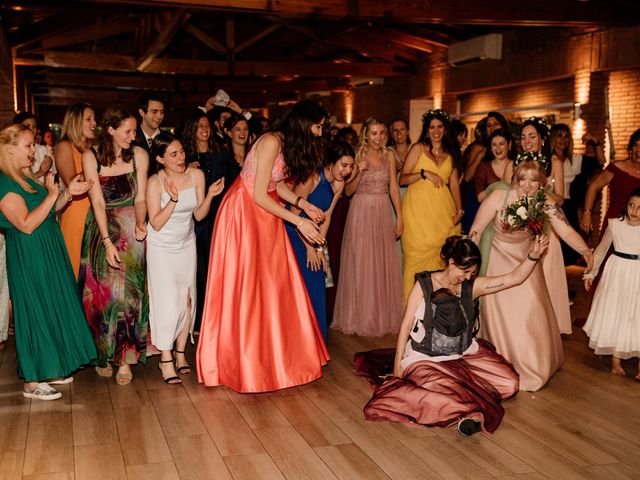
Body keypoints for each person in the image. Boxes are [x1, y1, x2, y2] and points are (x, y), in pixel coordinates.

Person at [196, 99, 330, 393]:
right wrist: (299, 222)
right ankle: (243, 364)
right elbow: (258, 194)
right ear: (304, 123)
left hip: (267, 213)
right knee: (248, 290)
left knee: (274, 287)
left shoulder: (283, 144)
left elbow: (275, 185)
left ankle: (273, 361)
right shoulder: (270, 141)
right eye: (317, 126)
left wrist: (303, 204)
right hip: (244, 214)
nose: (319, 133)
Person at [355, 236, 548, 436]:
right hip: (425, 358)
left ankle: (465, 403)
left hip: (463, 356)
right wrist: (397, 368)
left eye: (472, 273)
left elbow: (513, 279)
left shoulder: (471, 287)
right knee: (446, 390)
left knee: (509, 384)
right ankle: (469, 413)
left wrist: (533, 256)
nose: (467, 277)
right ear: (451, 262)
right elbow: (405, 326)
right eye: (464, 271)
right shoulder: (425, 284)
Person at [469, 158, 593, 391]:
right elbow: (475, 231)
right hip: (498, 262)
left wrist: (585, 250)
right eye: (522, 179)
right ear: (515, 179)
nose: (527, 185)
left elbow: (565, 230)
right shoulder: (498, 197)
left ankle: (535, 365)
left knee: (530, 312)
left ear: (541, 182)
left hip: (528, 264)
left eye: (533, 180)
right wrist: (468, 264)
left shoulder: (544, 201)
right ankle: (501, 366)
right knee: (501, 318)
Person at [0, 123, 96, 400]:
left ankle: (51, 367)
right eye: (28, 145)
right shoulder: (4, 183)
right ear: (9, 149)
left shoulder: (24, 177)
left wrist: (67, 193)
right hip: (29, 253)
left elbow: (48, 210)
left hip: (47, 249)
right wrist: (54, 194)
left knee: (51, 304)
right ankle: (32, 381)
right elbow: (26, 224)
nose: (34, 150)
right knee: (35, 310)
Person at [79, 106, 151, 385]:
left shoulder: (139, 156)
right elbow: (96, 201)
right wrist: (107, 241)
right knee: (103, 296)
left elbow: (141, 196)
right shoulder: (91, 156)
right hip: (101, 228)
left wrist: (141, 223)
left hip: (132, 228)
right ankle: (102, 355)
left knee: (129, 295)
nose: (133, 136)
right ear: (110, 129)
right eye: (128, 131)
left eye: (134, 130)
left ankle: (124, 359)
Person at [146, 133, 224, 384]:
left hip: (186, 243)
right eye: (173, 154)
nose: (181, 158)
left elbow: (199, 216)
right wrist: (173, 200)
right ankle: (165, 358)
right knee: (167, 301)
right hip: (161, 247)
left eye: (181, 152)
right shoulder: (155, 182)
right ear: (160, 158)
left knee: (187, 299)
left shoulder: (197, 175)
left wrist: (211, 195)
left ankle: (180, 353)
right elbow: (155, 223)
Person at [332, 117, 404, 337]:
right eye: (373, 133)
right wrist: (359, 171)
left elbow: (393, 187)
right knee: (362, 262)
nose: (378, 137)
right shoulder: (357, 155)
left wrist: (399, 217)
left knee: (380, 263)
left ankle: (380, 317)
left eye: (381, 132)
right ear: (366, 134)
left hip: (382, 209)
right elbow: (348, 191)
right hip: (361, 210)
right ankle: (359, 317)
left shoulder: (389, 155)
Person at [286, 141, 355, 343]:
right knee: (301, 288)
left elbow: (328, 216)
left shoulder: (339, 184)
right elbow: (293, 214)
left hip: (313, 238)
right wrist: (308, 247)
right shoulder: (311, 178)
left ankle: (314, 344)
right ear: (332, 162)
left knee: (317, 282)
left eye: (351, 166)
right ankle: (296, 343)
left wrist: (319, 247)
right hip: (294, 235)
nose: (348, 170)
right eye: (344, 165)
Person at [180, 111, 236, 331]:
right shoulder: (184, 156)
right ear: (191, 129)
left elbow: (231, 186)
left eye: (206, 126)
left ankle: (216, 319)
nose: (204, 129)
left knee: (214, 268)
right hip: (190, 217)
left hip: (215, 218)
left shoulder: (221, 154)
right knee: (196, 271)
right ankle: (195, 319)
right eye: (199, 125)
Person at [399, 108, 462, 297]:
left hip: (442, 214)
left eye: (440, 127)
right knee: (415, 260)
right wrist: (423, 173)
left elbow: (455, 185)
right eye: (432, 127)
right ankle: (413, 311)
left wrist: (460, 210)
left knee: (441, 261)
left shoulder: (451, 154)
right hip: (417, 215)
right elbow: (402, 179)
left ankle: (437, 310)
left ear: (445, 129)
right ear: (427, 130)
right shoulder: (418, 148)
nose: (436, 131)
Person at [583, 188, 640, 380]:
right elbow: (600, 250)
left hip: (638, 275)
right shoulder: (615, 225)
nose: (635, 210)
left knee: (636, 315)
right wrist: (590, 273)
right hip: (617, 273)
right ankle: (616, 358)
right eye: (632, 205)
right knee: (618, 312)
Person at [55, 103, 97, 278]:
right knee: (74, 269)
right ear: (75, 121)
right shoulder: (65, 146)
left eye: (94, 119)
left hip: (94, 212)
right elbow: (72, 181)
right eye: (88, 119)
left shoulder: (91, 148)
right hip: (76, 214)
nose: (94, 123)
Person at [581, 128, 640, 238]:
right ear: (631, 148)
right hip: (615, 225)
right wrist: (587, 213)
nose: (639, 149)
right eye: (635, 145)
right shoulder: (617, 168)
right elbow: (594, 187)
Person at [475, 128, 513, 203]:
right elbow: (479, 198)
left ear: (509, 145)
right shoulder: (484, 166)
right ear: (491, 148)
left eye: (501, 144)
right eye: (494, 145)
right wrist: (496, 187)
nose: (498, 148)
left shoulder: (517, 164)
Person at [13, 112, 54, 180]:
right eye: (27, 126)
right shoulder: (14, 150)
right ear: (18, 127)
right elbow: (17, 182)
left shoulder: (43, 149)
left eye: (34, 126)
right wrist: (40, 172)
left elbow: (52, 175)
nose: (32, 130)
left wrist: (49, 167)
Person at [135, 93, 165, 175]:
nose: (159, 116)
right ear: (142, 112)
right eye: (154, 111)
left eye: (162, 112)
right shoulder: (131, 138)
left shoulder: (169, 139)